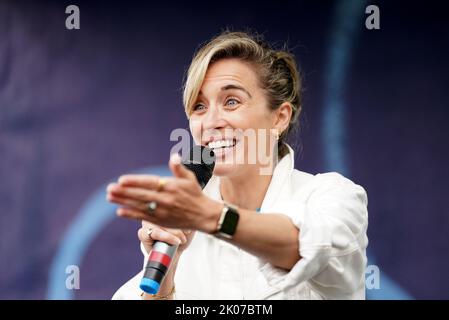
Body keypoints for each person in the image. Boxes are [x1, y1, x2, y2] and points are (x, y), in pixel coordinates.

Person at [107, 31, 368, 300]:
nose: (211, 122)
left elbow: (307, 246)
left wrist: (210, 216)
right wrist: (163, 285)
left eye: (231, 101)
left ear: (279, 118)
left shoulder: (333, 197)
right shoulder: (180, 230)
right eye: (199, 106)